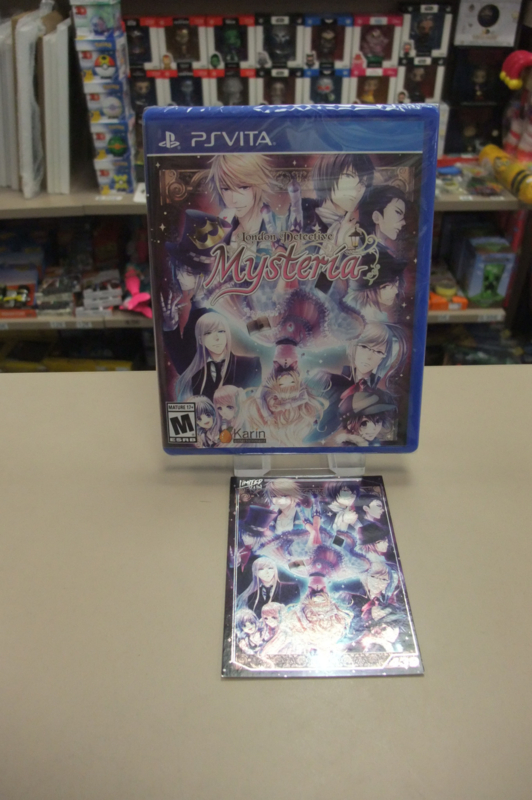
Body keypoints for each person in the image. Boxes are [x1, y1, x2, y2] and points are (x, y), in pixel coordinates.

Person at [344, 184, 409, 322]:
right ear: (376, 217)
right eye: (398, 213)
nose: (403, 222)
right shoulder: (357, 248)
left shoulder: (384, 253)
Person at [174, 312, 261, 401]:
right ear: (200, 340)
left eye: (221, 331)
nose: (217, 338)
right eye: (208, 333)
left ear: (227, 334)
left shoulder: (250, 364)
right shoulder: (195, 376)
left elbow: (255, 401)